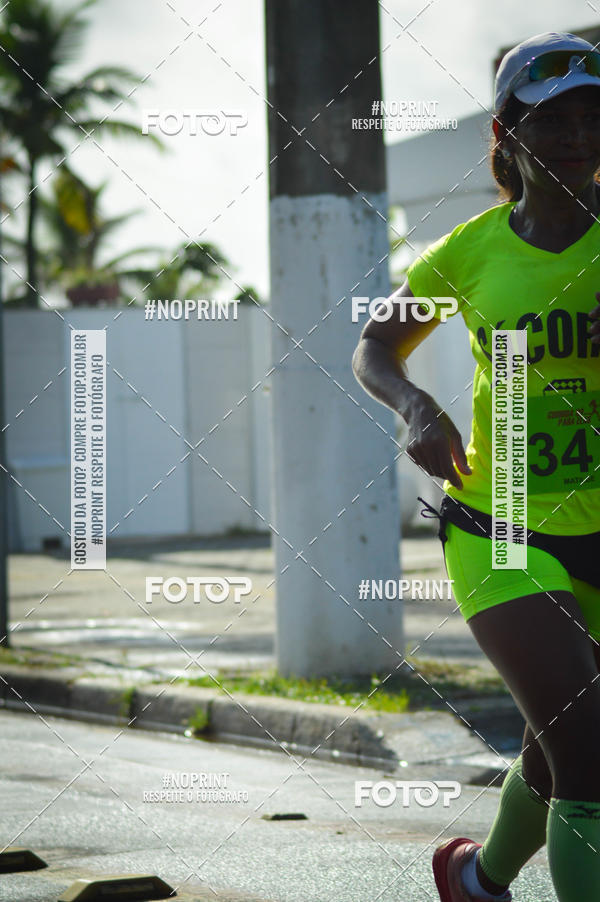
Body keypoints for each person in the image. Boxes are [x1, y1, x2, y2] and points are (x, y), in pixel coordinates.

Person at [352, 31, 600, 902]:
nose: (576, 135)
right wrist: (415, 404)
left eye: (590, 116)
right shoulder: (468, 250)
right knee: (588, 747)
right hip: (499, 525)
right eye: (552, 118)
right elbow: (376, 344)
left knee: (556, 738)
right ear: (508, 137)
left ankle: (476, 879)